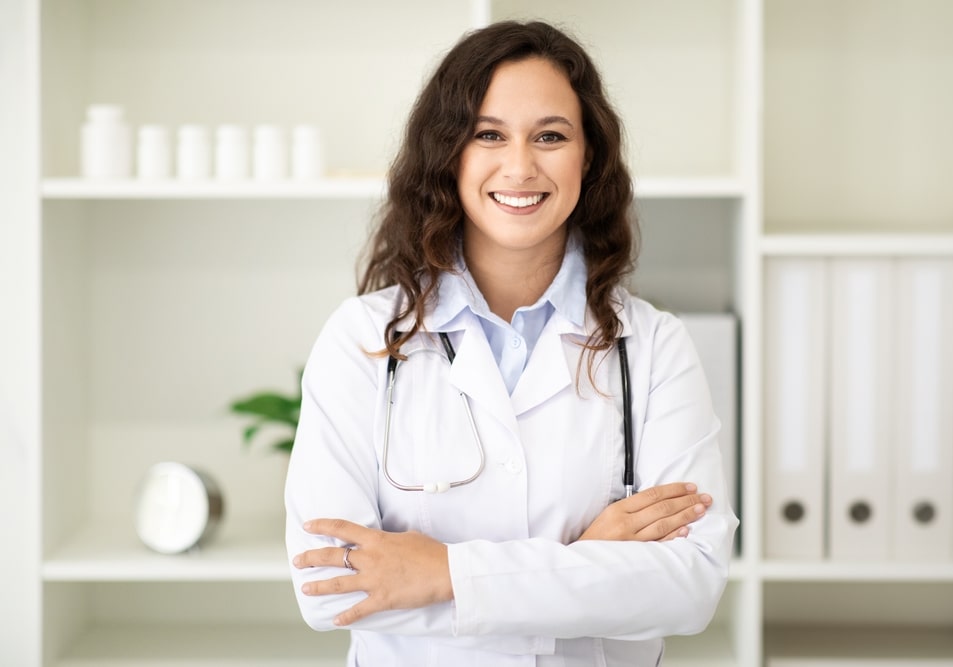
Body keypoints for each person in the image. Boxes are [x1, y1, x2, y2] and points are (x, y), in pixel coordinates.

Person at [285, 20, 738, 666]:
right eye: (488, 134)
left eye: (550, 136)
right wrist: (588, 563)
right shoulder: (361, 341)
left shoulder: (654, 347)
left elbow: (690, 584)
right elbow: (328, 589)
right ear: (450, 154)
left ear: (589, 156)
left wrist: (443, 572)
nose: (521, 166)